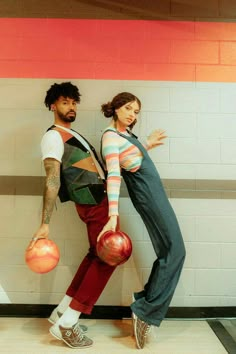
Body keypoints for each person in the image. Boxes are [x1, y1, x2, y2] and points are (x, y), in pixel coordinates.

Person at [28, 82, 117, 350]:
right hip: (93, 202)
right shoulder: (54, 136)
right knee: (108, 257)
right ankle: (68, 322)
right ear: (53, 105)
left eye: (74, 102)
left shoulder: (69, 133)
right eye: (65, 102)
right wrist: (45, 224)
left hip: (99, 201)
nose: (71, 107)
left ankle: (62, 311)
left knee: (96, 255)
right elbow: (52, 180)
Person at [100, 92, 186, 349]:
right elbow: (114, 175)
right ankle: (146, 310)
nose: (132, 114)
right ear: (115, 108)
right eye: (127, 108)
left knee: (169, 253)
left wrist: (146, 143)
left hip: (156, 198)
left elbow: (131, 160)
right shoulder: (110, 137)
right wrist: (112, 215)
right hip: (150, 199)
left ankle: (143, 306)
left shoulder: (126, 137)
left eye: (136, 111)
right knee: (176, 251)